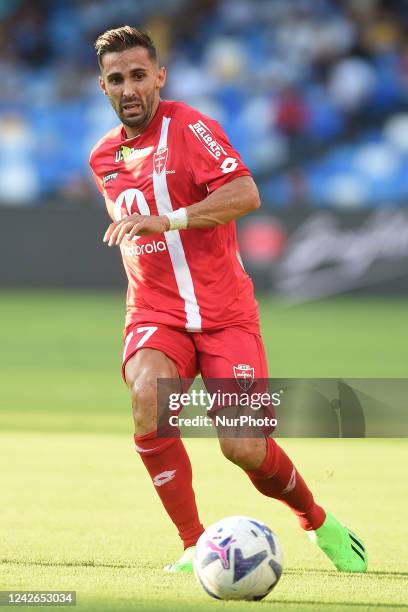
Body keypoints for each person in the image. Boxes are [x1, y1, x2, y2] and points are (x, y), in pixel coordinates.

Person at [89, 26, 367, 574]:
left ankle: (315, 519)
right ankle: (194, 545)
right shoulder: (103, 158)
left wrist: (168, 219)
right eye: (116, 79)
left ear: (159, 78)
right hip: (155, 311)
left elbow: (246, 192)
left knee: (242, 446)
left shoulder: (191, 128)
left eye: (139, 76)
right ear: (102, 86)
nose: (129, 89)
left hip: (224, 316)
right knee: (148, 396)